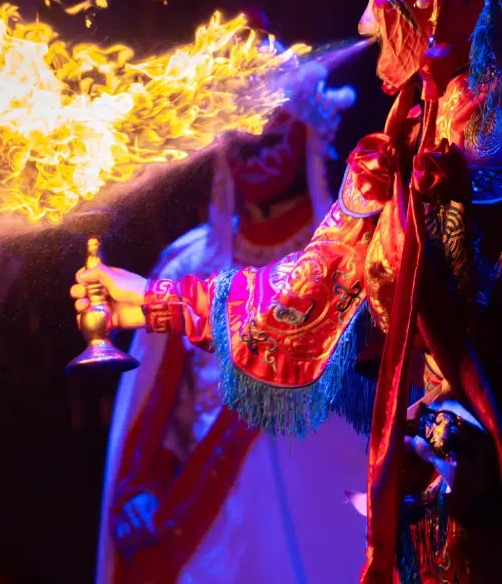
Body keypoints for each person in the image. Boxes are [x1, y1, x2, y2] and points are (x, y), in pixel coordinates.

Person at [72, 0, 502, 583]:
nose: (366, 21)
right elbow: (304, 308)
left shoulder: (466, 159)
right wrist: (153, 303)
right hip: (439, 516)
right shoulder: (394, 158)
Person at [96, 59, 366, 584]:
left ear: (307, 132)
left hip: (330, 520)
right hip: (211, 529)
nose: (258, 147)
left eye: (272, 131)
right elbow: (159, 419)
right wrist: (145, 487)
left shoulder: (349, 255)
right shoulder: (188, 264)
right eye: (243, 136)